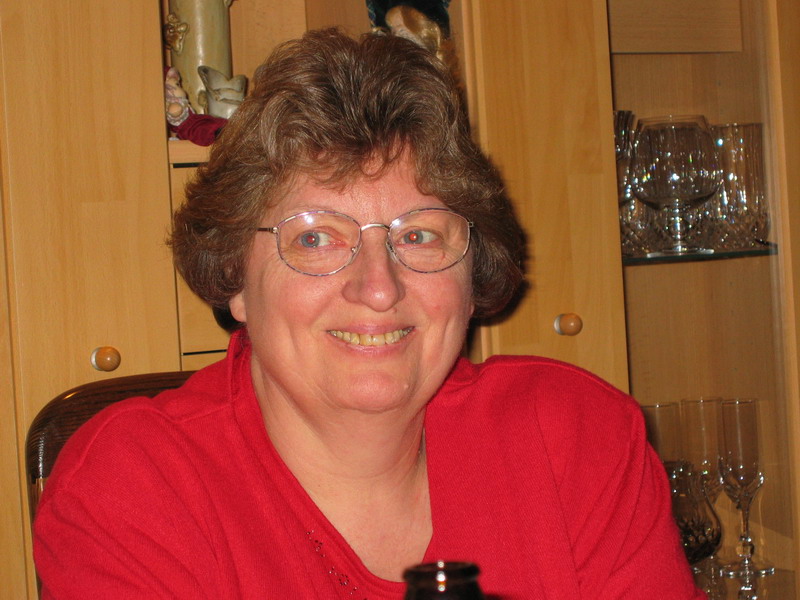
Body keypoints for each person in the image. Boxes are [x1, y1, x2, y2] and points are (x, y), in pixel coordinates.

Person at [33, 28, 703, 599]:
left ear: (472, 271)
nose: (378, 289)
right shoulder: (135, 488)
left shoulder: (577, 442)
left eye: (419, 235)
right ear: (234, 275)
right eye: (315, 239)